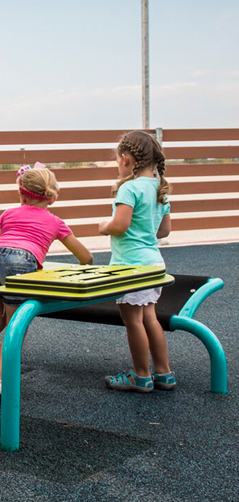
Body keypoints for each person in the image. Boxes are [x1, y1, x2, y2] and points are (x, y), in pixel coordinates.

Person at [0, 163, 93, 398]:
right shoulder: (56, 221)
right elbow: (85, 256)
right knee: (15, 322)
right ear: (52, 197)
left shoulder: (9, 213)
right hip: (21, 261)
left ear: (21, 193)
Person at [98, 131, 173, 392]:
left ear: (127, 159)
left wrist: (103, 226)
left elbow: (120, 225)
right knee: (150, 318)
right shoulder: (159, 189)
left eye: (118, 160)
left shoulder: (129, 188)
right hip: (154, 264)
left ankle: (141, 376)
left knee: (133, 321)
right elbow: (163, 232)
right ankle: (164, 373)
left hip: (131, 267)